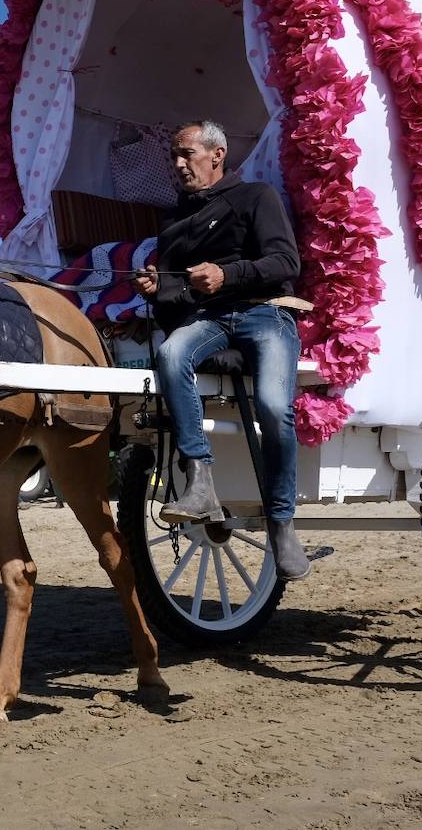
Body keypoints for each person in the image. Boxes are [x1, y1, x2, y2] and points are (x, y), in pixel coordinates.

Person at [131, 120, 308, 580]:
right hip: (208, 320)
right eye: (174, 155)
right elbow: (175, 298)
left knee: (273, 406)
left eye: (186, 153)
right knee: (171, 354)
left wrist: (228, 276)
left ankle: (282, 524)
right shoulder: (172, 224)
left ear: (217, 154)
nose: (178, 164)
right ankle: (200, 483)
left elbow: (286, 263)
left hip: (266, 313)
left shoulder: (256, 198)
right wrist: (156, 288)